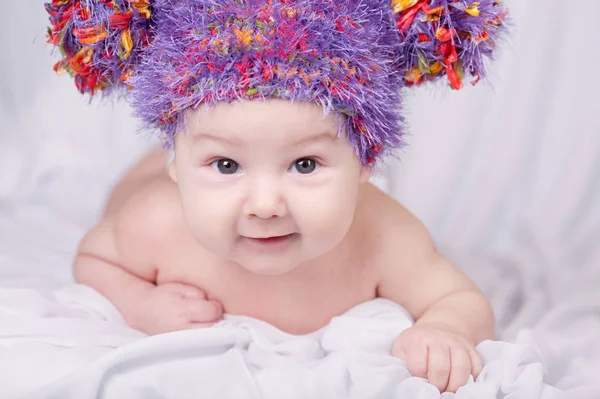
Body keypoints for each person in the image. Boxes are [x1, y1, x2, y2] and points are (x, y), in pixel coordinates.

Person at [44, 0, 508, 393]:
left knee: (249, 142)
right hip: (148, 182)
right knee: (142, 186)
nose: (265, 205)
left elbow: (460, 298)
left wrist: (445, 328)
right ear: (177, 166)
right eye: (226, 166)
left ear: (368, 160)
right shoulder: (158, 222)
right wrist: (140, 303)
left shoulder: (383, 237)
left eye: (304, 164)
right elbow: (94, 259)